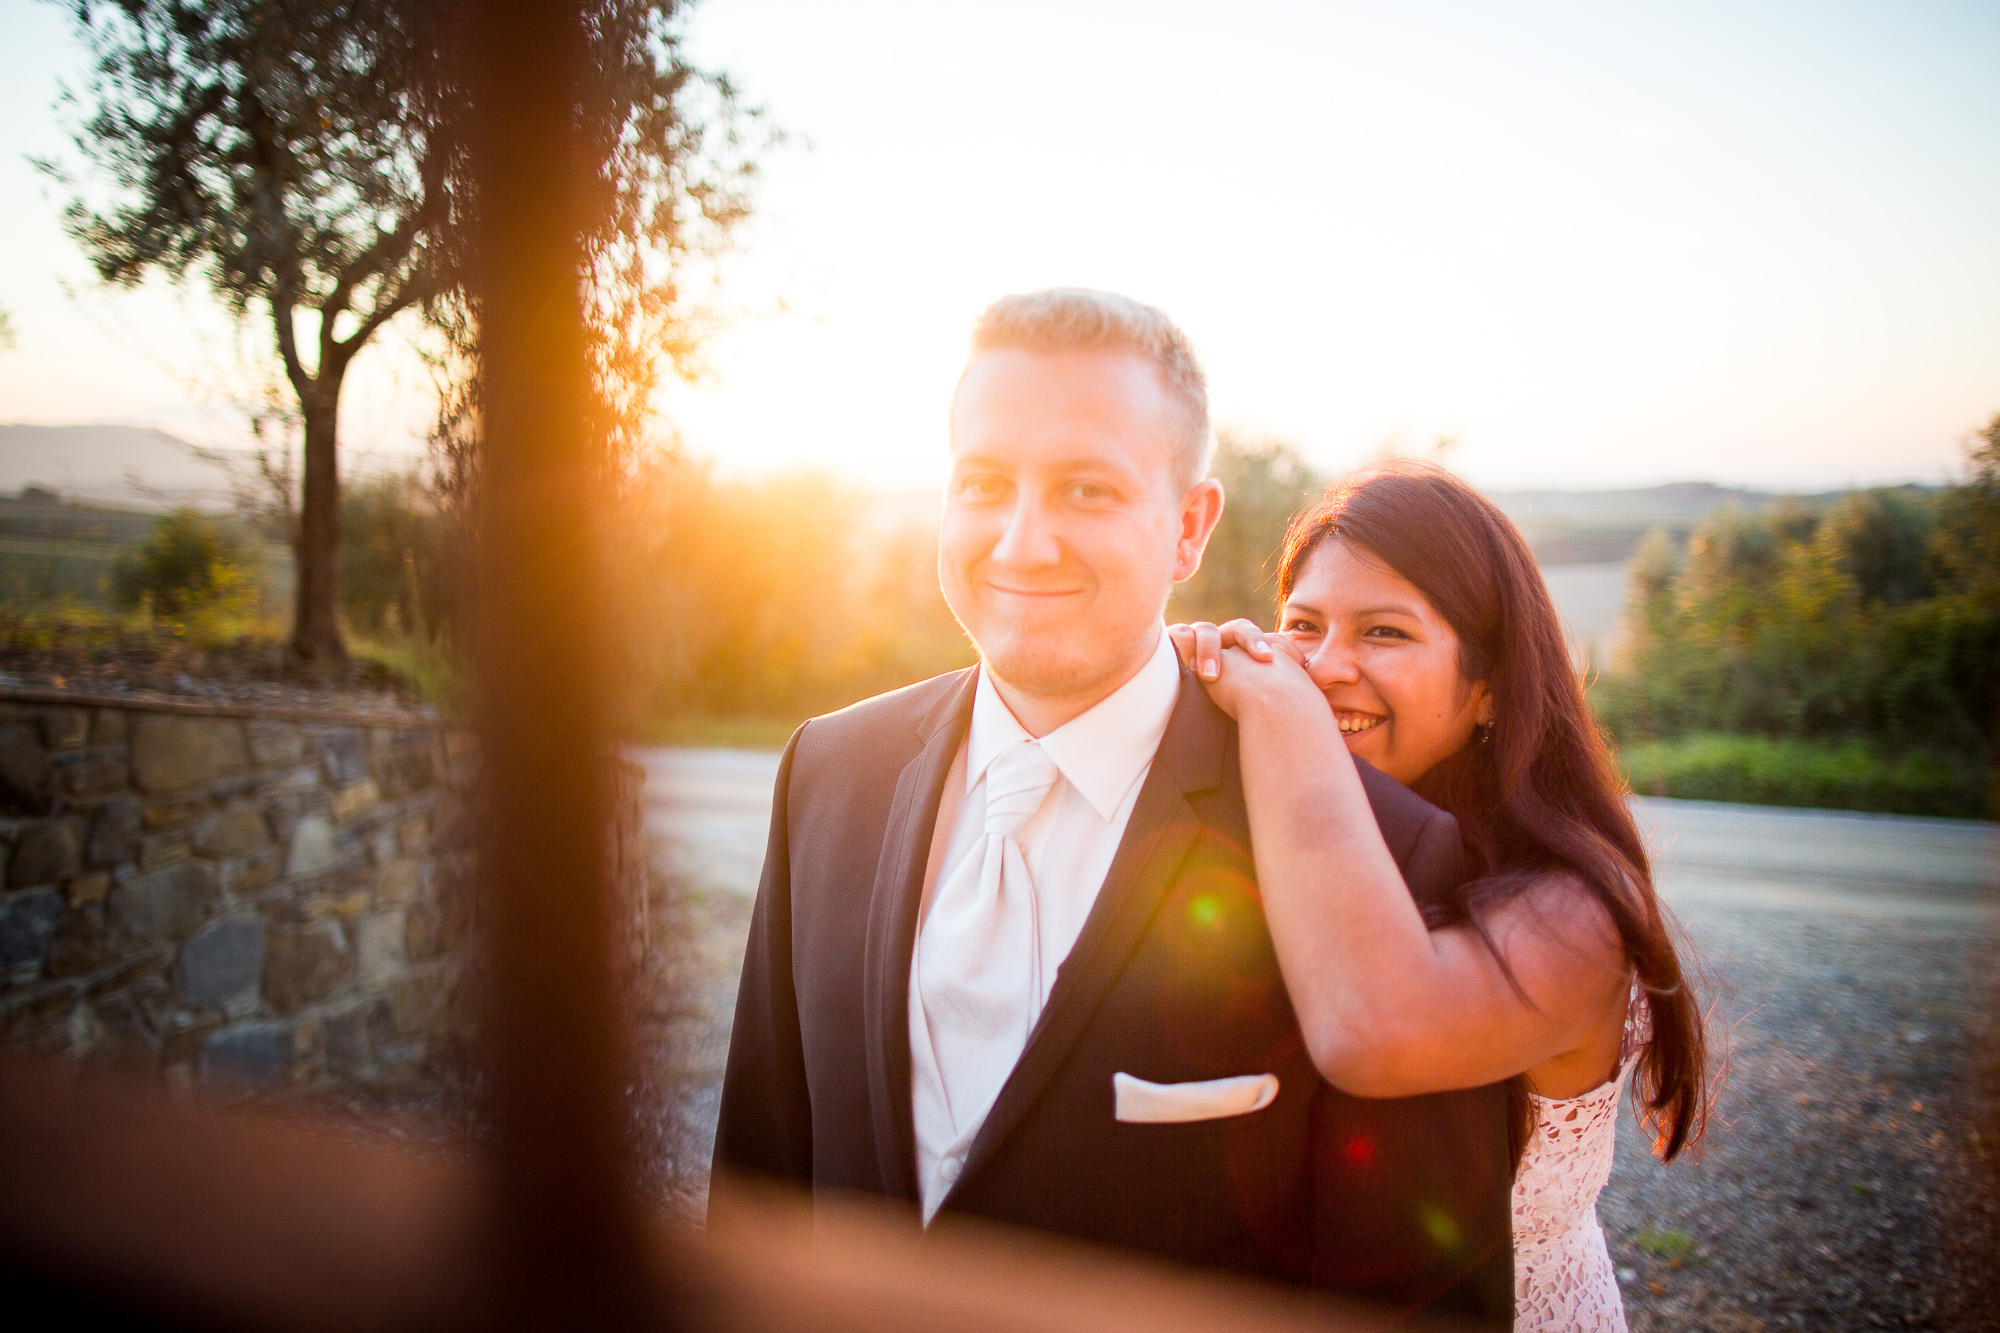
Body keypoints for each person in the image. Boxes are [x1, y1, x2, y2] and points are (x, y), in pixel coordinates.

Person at [712, 289, 1516, 1324]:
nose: (1021, 542)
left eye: (1086, 489)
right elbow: (756, 1183)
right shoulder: (827, 771)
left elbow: (1426, 1303)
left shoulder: (1387, 851)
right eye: (983, 483)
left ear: (1186, 527)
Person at [1168, 460, 1709, 1332]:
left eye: (1384, 632)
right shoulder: (1277, 834)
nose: (1324, 665)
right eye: (1301, 625)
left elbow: (1376, 1028)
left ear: (1490, 684)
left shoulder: (1578, 911)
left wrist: (1282, 719)